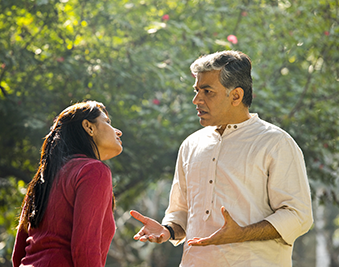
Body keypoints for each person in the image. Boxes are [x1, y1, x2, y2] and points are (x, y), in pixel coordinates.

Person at [130, 50, 313, 266]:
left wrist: (242, 234)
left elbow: (298, 216)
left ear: (236, 95)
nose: (196, 100)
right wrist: (168, 230)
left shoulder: (275, 143)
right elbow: (181, 211)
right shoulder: (191, 144)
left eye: (207, 91)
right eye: (196, 90)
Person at [12, 100, 123, 267]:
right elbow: (85, 251)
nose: (118, 132)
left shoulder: (42, 179)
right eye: (107, 122)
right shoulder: (94, 171)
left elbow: (18, 254)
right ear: (89, 127)